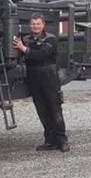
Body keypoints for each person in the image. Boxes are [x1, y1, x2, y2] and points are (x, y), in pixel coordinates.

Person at [12, 13, 69, 152]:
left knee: (54, 109)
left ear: (43, 25)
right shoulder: (26, 39)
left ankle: (62, 141)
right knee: (42, 110)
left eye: (38, 24)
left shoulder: (51, 39)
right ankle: (50, 141)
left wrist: (23, 48)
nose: (35, 26)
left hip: (49, 76)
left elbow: (41, 54)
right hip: (34, 77)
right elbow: (21, 55)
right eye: (33, 24)